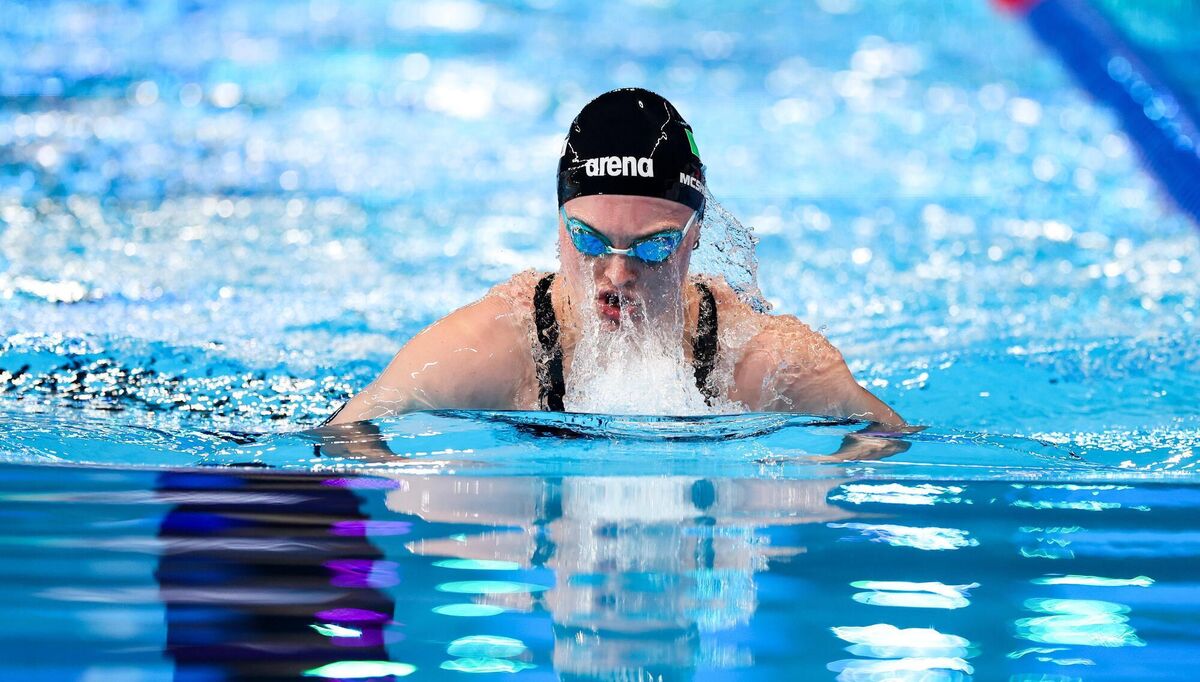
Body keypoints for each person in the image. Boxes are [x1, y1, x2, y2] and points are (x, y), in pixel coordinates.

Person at [324, 88, 905, 437]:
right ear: (559, 226)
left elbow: (885, 433)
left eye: (653, 246)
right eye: (590, 240)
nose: (618, 274)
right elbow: (348, 431)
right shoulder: (496, 346)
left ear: (695, 237)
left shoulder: (755, 358)